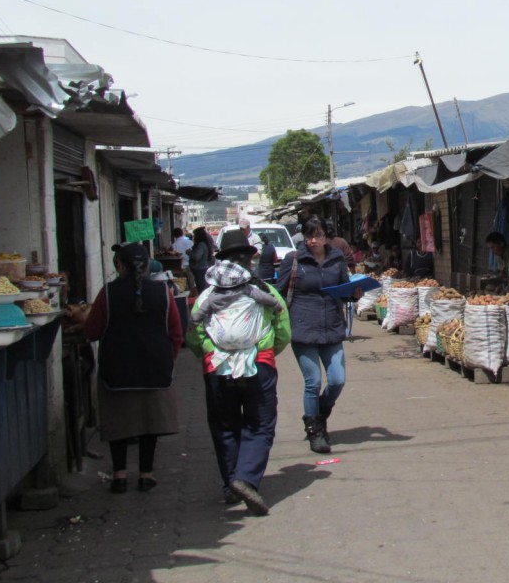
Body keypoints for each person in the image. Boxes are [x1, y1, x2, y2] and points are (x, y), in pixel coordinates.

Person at [188, 229, 291, 515]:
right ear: (249, 260)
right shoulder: (265, 292)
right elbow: (283, 329)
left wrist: (208, 353)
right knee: (260, 425)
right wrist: (266, 352)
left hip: (217, 368)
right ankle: (246, 479)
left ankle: (230, 484)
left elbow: (195, 333)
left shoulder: (207, 295)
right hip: (259, 365)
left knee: (224, 426)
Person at [83, 243, 183, 494]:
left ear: (120, 266)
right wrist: (167, 360)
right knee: (150, 424)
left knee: (119, 424)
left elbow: (92, 331)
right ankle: (146, 474)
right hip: (155, 370)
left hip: (117, 370)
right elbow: (176, 333)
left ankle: (119, 475)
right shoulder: (163, 291)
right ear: (147, 265)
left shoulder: (107, 293)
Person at [276, 215, 354, 454]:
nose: (314, 240)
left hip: (331, 326)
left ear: (325, 236)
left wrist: (355, 293)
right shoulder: (294, 260)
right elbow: (279, 293)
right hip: (303, 328)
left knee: (337, 379)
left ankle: (318, 413)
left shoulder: (336, 258)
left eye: (318, 235)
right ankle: (315, 431)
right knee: (313, 382)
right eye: (310, 235)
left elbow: (344, 289)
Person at [188, 227, 216, 294]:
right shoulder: (205, 243)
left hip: (200, 269)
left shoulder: (201, 245)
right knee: (202, 287)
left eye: (195, 235)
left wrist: (188, 252)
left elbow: (196, 257)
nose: (194, 237)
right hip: (202, 268)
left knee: (201, 287)